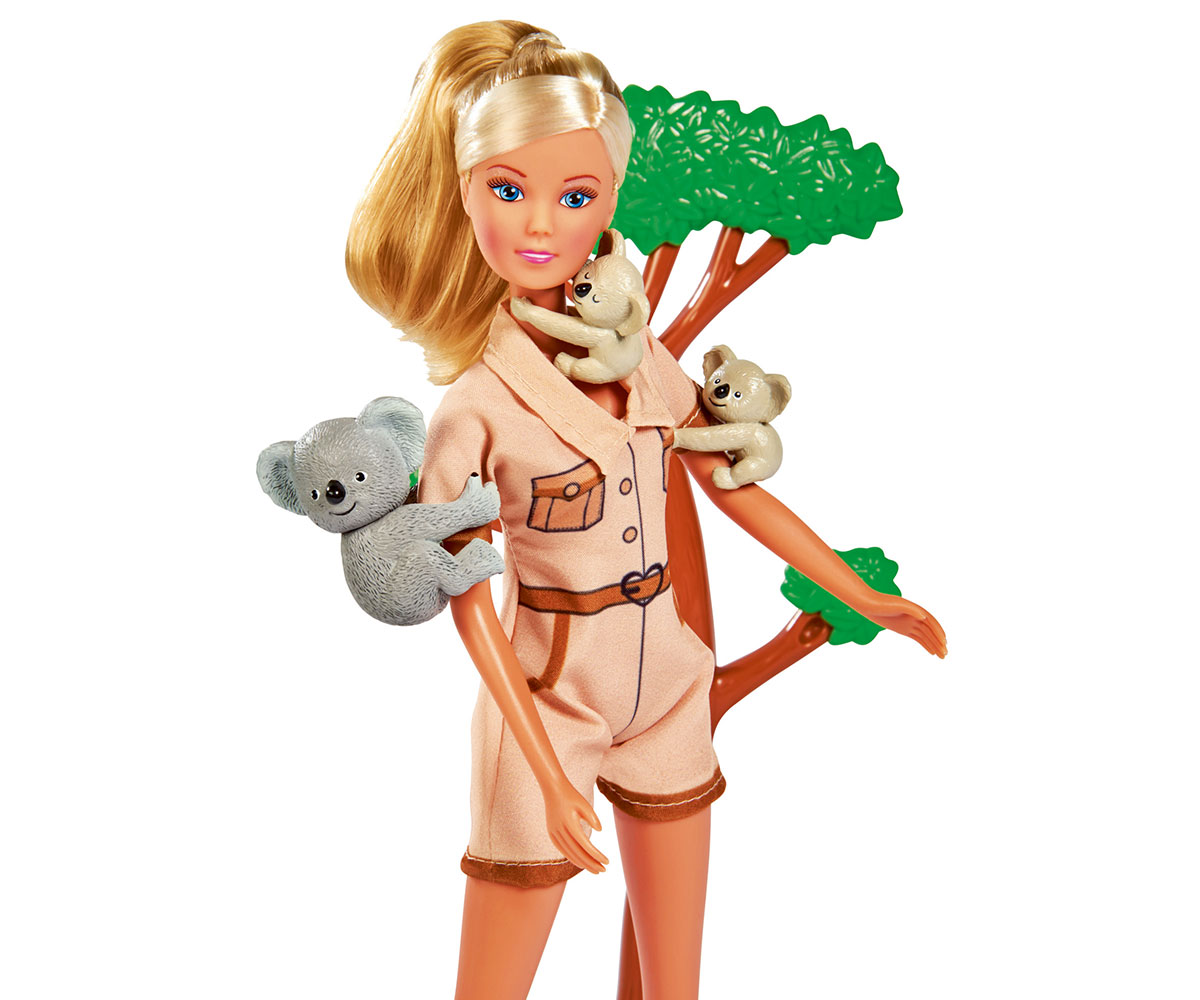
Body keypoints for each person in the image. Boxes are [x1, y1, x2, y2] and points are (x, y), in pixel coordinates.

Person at [345, 21, 946, 1000]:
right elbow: (467, 599)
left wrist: (860, 594)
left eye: (576, 196)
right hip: (547, 693)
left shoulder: (640, 362)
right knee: (494, 979)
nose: (541, 225)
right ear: (464, 192)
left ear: (611, 201)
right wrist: (544, 770)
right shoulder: (476, 408)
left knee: (675, 979)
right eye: (509, 190)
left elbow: (734, 483)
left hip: (666, 678)